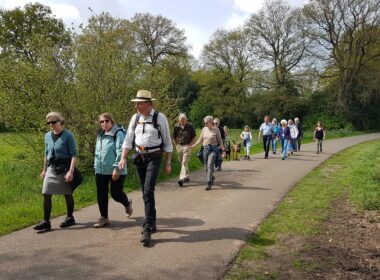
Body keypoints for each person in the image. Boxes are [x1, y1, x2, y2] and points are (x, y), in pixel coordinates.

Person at [119, 90, 172, 245]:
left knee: (148, 190)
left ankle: (147, 227)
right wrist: (122, 158)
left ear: (149, 104)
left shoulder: (159, 117)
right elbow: (128, 140)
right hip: (139, 158)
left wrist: (168, 163)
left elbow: (168, 142)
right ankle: (152, 221)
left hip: (154, 158)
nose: (137, 106)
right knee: (145, 191)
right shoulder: (135, 118)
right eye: (136, 103)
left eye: (140, 104)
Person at [33, 112, 78, 231]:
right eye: (49, 123)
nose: (51, 124)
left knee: (67, 194)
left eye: (53, 122)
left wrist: (71, 172)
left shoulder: (68, 135)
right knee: (46, 194)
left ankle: (70, 217)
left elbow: (74, 154)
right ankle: (46, 222)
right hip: (51, 169)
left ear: (60, 122)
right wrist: (44, 170)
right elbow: (46, 154)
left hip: (64, 168)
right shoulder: (47, 136)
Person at [93, 113, 133, 228]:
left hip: (116, 169)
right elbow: (97, 152)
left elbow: (120, 151)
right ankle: (104, 217)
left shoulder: (118, 133)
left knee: (116, 194)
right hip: (101, 170)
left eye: (106, 121)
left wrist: (116, 169)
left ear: (111, 121)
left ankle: (127, 204)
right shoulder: (100, 134)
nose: (104, 123)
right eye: (102, 121)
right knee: (101, 194)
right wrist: (96, 167)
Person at [190, 116, 225, 190]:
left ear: (211, 122)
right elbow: (200, 140)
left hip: (213, 149)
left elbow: (220, 142)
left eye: (206, 123)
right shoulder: (204, 129)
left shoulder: (216, 130)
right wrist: (193, 146)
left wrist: (223, 151)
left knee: (209, 165)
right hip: (205, 149)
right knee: (206, 167)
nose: (205, 124)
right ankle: (211, 176)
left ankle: (208, 183)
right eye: (204, 123)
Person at [172, 113, 196, 187]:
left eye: (183, 120)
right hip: (179, 146)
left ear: (186, 120)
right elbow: (174, 137)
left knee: (184, 161)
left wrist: (190, 145)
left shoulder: (190, 126)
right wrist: (176, 145)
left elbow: (194, 137)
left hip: (187, 146)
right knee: (182, 162)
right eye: (180, 120)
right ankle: (187, 176)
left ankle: (181, 178)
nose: (182, 122)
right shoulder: (176, 126)